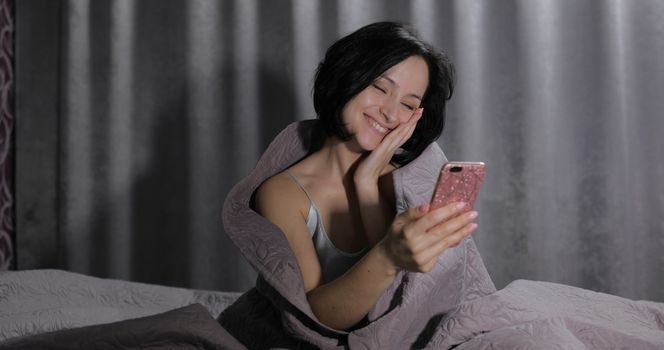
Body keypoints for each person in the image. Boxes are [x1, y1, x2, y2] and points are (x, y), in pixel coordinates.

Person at [254, 22, 479, 331]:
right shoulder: (283, 194)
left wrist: (366, 182)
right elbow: (313, 317)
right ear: (347, 75)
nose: (389, 112)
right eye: (380, 87)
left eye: (407, 104)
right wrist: (388, 255)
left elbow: (400, 305)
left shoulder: (407, 184)